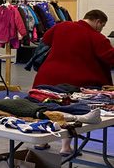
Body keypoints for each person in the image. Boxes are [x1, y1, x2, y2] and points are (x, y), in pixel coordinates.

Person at [33, 9, 114, 155]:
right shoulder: (97, 37)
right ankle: (65, 147)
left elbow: (45, 40)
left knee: (44, 107)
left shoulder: (61, 26)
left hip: (47, 76)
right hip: (73, 82)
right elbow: (111, 58)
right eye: (102, 26)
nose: (101, 29)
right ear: (98, 22)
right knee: (70, 111)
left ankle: (41, 141)